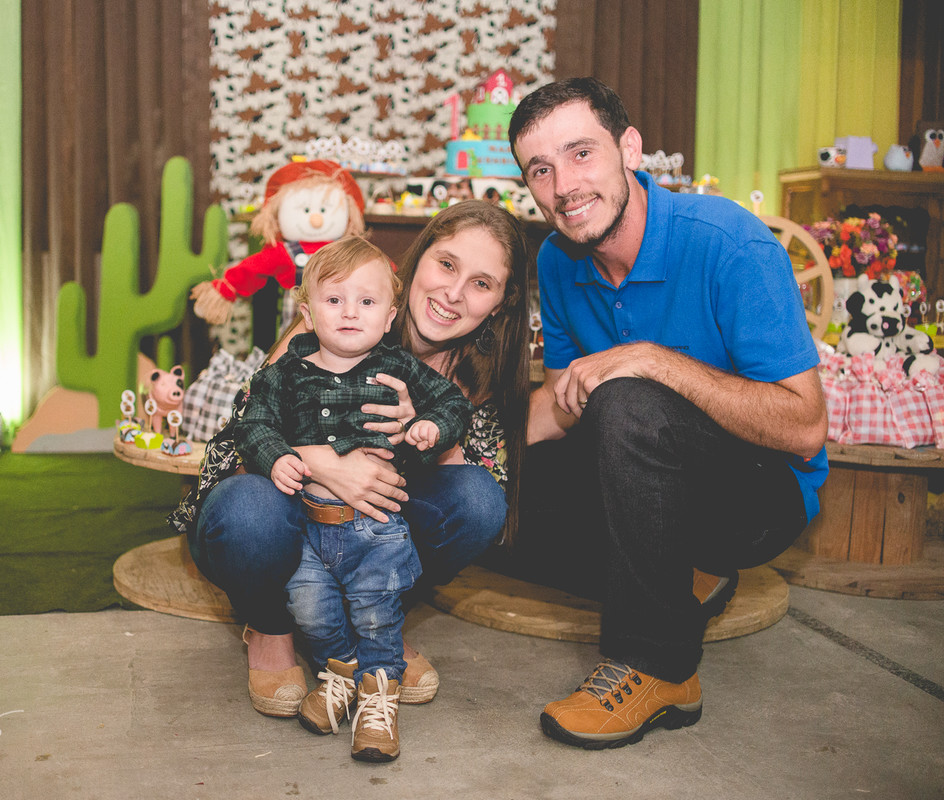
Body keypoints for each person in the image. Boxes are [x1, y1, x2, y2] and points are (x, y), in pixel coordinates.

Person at [506, 77, 828, 750]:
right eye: (541, 168)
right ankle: (677, 573)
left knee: (629, 401)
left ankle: (660, 665)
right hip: (640, 474)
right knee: (489, 510)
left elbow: (804, 427)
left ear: (630, 148)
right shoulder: (557, 261)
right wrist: (467, 448)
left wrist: (651, 358)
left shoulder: (729, 243)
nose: (564, 185)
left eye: (581, 153)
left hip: (758, 493)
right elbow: (565, 404)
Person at [169, 199, 531, 731]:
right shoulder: (333, 320)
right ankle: (270, 625)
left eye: (482, 283)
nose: (454, 293)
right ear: (411, 268)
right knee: (248, 511)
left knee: (478, 499)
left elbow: (471, 479)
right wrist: (321, 461)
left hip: (371, 536)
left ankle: (375, 622)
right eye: (447, 264)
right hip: (287, 514)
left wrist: (419, 437)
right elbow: (240, 434)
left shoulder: (475, 374)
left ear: (499, 304)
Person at [235, 236, 475, 762]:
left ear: (389, 316)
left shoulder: (399, 368)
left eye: (366, 302)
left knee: (377, 614)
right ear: (307, 312)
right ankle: (341, 671)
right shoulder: (284, 375)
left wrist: (431, 424)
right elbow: (251, 422)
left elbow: (453, 402)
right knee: (311, 610)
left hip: (376, 527)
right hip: (307, 528)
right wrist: (275, 455)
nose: (350, 313)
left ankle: (378, 700)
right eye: (334, 300)